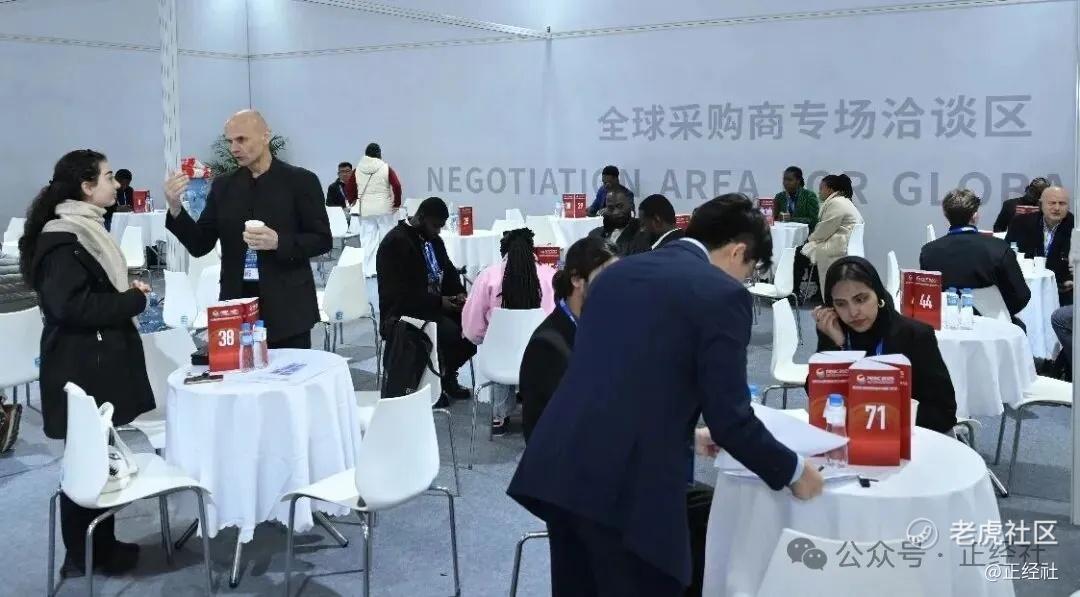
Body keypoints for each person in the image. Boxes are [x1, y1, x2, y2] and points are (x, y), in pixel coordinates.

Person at [508, 194, 824, 596]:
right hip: (628, 488)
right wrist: (794, 472)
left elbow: (618, 379)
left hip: (559, 469)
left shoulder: (618, 274)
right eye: (748, 271)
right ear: (738, 251)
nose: (743, 282)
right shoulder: (721, 295)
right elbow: (731, 421)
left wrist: (686, 433)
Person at [19, 149, 154, 578]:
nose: (116, 184)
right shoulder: (63, 240)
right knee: (85, 462)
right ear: (86, 186)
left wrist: (124, 295)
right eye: (108, 176)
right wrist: (131, 301)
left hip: (91, 360)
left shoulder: (84, 230)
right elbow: (71, 307)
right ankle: (82, 557)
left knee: (100, 457)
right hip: (79, 365)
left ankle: (101, 548)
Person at [163, 110, 331, 348]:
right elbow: (200, 244)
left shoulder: (301, 181)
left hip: (288, 307)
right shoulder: (223, 186)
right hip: (237, 305)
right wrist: (175, 208)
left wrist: (279, 242)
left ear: (265, 136)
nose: (234, 148)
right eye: (230, 141)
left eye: (241, 139)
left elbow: (322, 239)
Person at [813, 256, 958, 433]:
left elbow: (944, 413)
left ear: (878, 295)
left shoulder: (914, 335)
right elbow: (816, 395)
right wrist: (837, 348)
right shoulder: (833, 330)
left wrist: (884, 417)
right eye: (841, 304)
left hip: (908, 436)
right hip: (851, 435)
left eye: (861, 299)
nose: (853, 312)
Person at [376, 196, 476, 399]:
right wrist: (440, 303)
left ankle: (446, 375)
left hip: (433, 307)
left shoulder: (434, 241)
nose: (438, 231)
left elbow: (448, 271)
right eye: (435, 226)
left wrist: (458, 293)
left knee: (473, 329)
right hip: (405, 314)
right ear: (421, 217)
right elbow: (400, 294)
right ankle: (432, 384)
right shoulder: (395, 243)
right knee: (451, 333)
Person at [519, 237, 617, 441]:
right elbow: (548, 430)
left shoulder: (603, 326)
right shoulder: (547, 346)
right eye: (606, 276)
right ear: (576, 279)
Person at [462, 228, 557, 434]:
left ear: (502, 252)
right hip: (541, 358)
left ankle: (499, 416)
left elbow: (473, 328)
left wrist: (484, 338)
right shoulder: (550, 276)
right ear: (533, 250)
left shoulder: (488, 276)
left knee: (497, 346)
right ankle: (538, 411)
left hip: (500, 363)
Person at [920, 188, 1030, 318]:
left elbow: (928, 295)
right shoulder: (999, 248)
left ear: (946, 216)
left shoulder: (928, 252)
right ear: (975, 215)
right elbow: (1022, 296)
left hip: (947, 322)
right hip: (993, 323)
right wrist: (1000, 311)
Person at [1005, 186, 1074, 305]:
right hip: (1025, 288)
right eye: (1052, 203)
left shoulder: (1076, 227)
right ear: (1041, 205)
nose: (1057, 208)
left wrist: (1075, 280)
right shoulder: (1020, 222)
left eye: (1062, 203)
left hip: (1063, 290)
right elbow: (1005, 254)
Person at [800, 174, 863, 298]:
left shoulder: (836, 203)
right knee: (806, 253)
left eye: (821, 188)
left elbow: (825, 229)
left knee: (798, 255)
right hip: (844, 244)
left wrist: (810, 240)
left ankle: (794, 293)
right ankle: (820, 292)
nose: (819, 192)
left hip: (838, 246)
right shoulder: (843, 201)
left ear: (830, 189)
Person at [347, 142, 402, 276]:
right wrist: (397, 203)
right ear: (379, 154)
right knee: (387, 239)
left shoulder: (357, 170)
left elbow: (349, 187)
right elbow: (397, 185)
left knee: (367, 240)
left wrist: (352, 199)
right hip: (384, 209)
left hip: (366, 210)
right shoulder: (386, 168)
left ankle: (368, 271)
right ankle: (387, 270)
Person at [779, 166, 821, 294]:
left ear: (798, 181)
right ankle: (776, 287)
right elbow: (774, 218)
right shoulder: (780, 197)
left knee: (796, 255)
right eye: (784, 179)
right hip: (783, 239)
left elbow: (813, 220)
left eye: (789, 180)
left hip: (806, 239)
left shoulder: (809, 196)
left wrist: (792, 219)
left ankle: (793, 291)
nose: (785, 183)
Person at [587, 186, 642, 256]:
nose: (616, 212)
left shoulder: (641, 234)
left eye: (620, 206)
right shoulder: (594, 235)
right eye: (611, 208)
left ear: (630, 206)